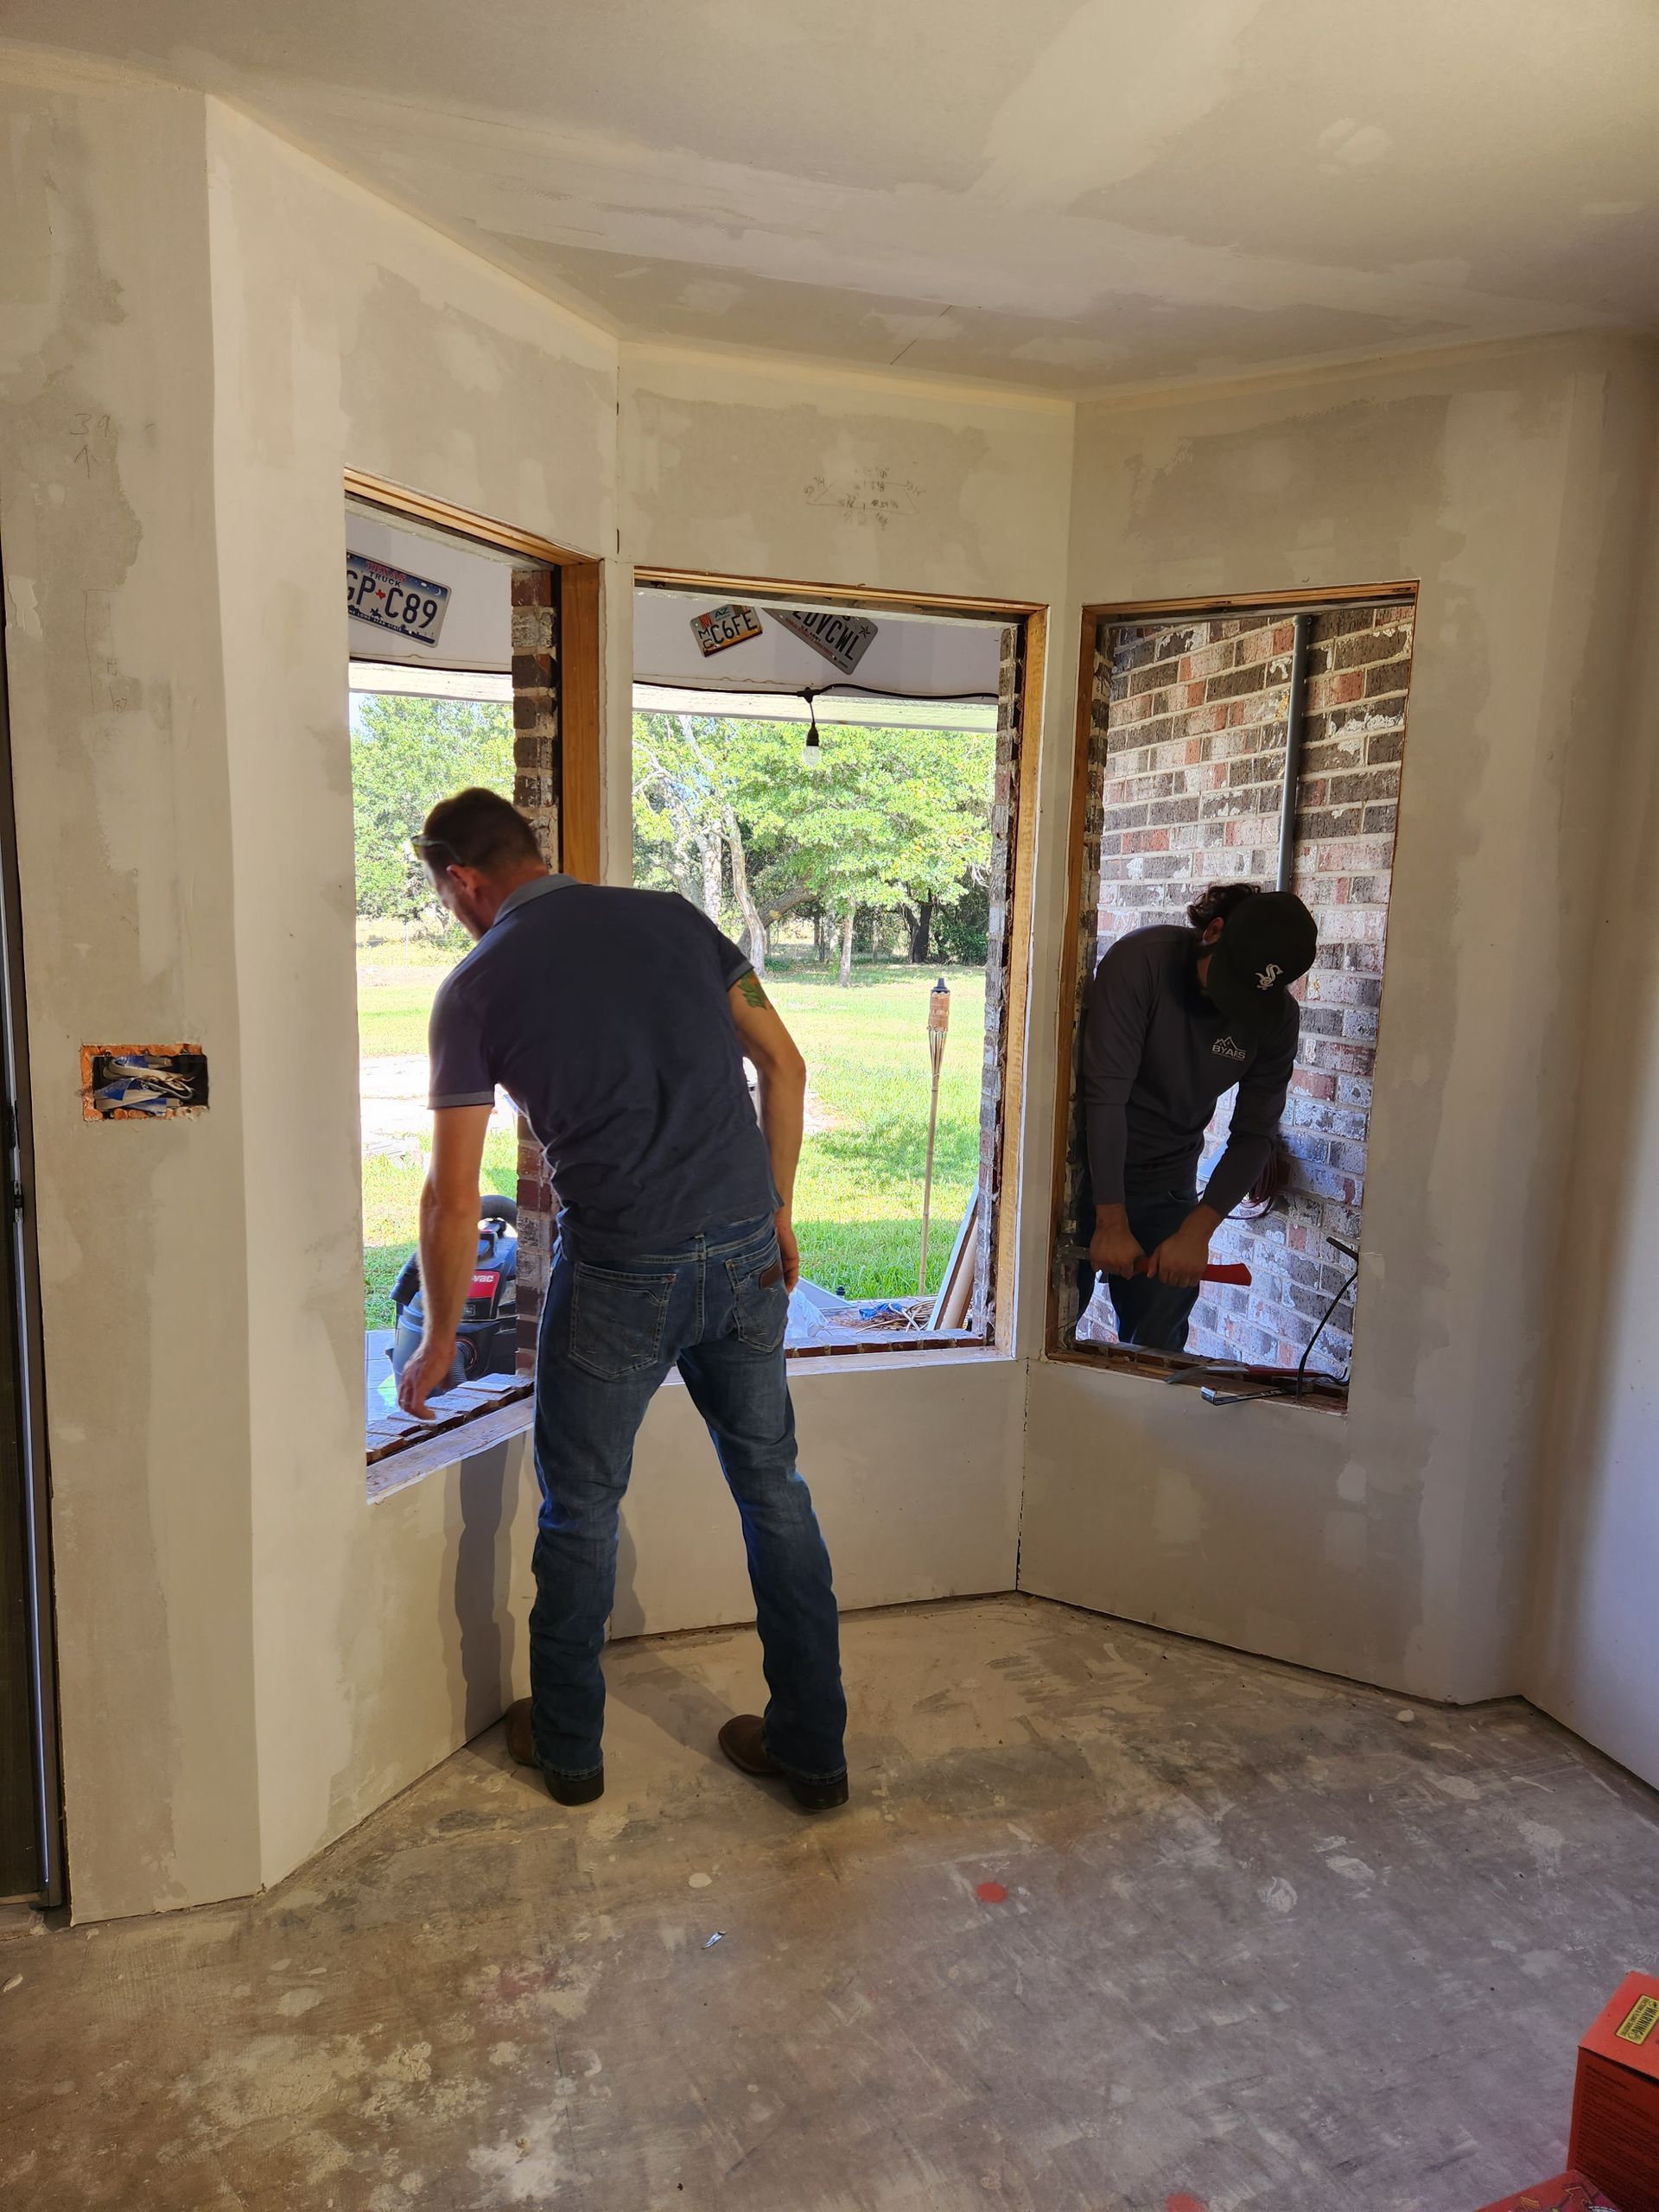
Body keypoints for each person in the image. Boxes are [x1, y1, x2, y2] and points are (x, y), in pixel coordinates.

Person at [397, 787, 847, 1814]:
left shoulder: (474, 987)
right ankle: (814, 1751)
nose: (452, 913)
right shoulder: (676, 921)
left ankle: (569, 1751)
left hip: (621, 1272)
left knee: (582, 1507)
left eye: (446, 897)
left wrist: (435, 1343)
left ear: (463, 879)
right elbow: (785, 1065)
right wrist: (776, 1208)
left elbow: (452, 1195)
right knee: (774, 1490)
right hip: (745, 1253)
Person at [1078, 883, 1318, 1353]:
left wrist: (1197, 1230)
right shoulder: (1142, 962)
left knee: (1157, 1351)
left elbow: (1255, 1134)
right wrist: (1110, 1220)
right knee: (1046, 1331)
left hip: (1167, 1181)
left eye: (1247, 997)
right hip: (1082, 1171)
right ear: (1213, 931)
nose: (1229, 1006)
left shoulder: (1275, 1019)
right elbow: (1105, 1099)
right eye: (1226, 983)